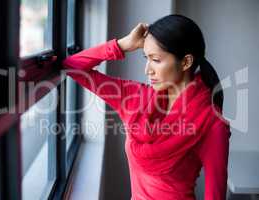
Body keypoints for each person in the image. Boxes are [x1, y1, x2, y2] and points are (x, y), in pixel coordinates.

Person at [61, 14, 231, 200]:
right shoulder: (135, 98)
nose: (147, 70)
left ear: (186, 62)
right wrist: (123, 44)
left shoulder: (212, 123)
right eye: (146, 58)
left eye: (156, 60)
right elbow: (72, 66)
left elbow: (215, 196)